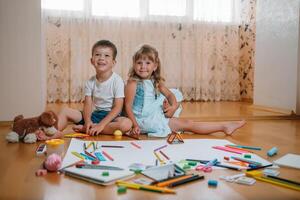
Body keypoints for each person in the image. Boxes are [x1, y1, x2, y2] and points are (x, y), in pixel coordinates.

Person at [124, 44, 245, 137]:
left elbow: (171, 95)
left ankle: (224, 126)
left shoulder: (156, 82)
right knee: (186, 124)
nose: (143, 66)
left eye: (148, 63)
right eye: (139, 62)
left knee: (185, 119)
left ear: (155, 66)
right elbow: (128, 107)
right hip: (141, 120)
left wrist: (173, 107)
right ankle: (223, 126)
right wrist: (134, 125)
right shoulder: (133, 83)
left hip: (153, 114)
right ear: (134, 64)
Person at [57, 40, 132, 136]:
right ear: (92, 61)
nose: (101, 58)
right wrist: (88, 121)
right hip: (94, 115)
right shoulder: (90, 82)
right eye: (97, 55)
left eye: (106, 55)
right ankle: (53, 132)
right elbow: (87, 105)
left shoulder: (117, 81)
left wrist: (101, 125)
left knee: (126, 124)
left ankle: (89, 129)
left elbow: (118, 107)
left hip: (111, 118)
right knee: (65, 111)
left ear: (113, 63)